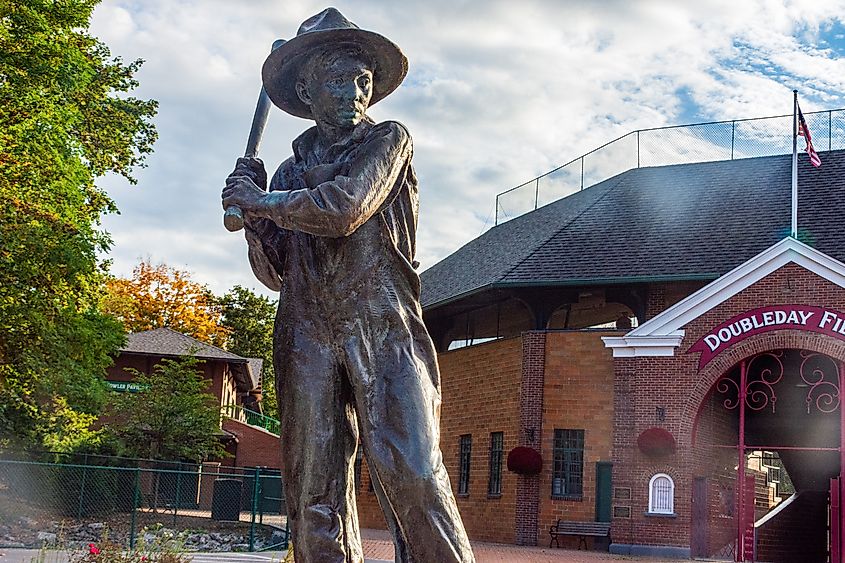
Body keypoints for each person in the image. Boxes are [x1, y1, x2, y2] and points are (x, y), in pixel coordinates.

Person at [221, 8, 474, 563]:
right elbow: (275, 274)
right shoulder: (287, 174)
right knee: (313, 489)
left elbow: (345, 208)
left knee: (414, 473)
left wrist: (263, 202)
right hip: (306, 331)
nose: (355, 93)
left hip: (383, 325)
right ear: (305, 91)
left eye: (362, 81)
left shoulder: (387, 140)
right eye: (338, 80)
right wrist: (254, 217)